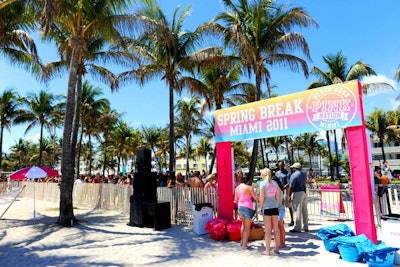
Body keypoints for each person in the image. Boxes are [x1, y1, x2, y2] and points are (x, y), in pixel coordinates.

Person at [234, 173, 259, 249]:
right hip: (248, 207)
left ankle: (242, 241)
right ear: (248, 181)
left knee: (243, 225)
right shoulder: (249, 187)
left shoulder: (237, 188)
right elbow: (255, 198)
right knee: (247, 227)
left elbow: (235, 200)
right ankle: (245, 244)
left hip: (240, 207)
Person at [259, 167, 280, 255]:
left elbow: (262, 197)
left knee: (267, 230)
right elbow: (278, 197)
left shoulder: (262, 184)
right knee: (276, 228)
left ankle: (267, 250)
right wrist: (277, 205)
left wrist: (260, 208)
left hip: (267, 208)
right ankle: (277, 249)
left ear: (263, 174)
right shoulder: (275, 183)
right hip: (275, 207)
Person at [288, 162, 308, 233]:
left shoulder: (294, 175)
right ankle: (306, 226)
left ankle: (297, 227)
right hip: (304, 192)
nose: (292, 169)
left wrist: (289, 196)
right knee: (304, 210)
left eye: (293, 168)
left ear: (295, 168)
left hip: (298, 192)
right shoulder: (304, 174)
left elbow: (291, 186)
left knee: (297, 210)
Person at [275, 161, 294, 226]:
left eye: (282, 165)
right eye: (279, 165)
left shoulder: (287, 173)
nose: (280, 167)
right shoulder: (277, 173)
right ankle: (281, 220)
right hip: (278, 191)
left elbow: (289, 183)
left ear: (284, 165)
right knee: (279, 205)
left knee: (288, 205)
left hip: (285, 190)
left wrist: (283, 187)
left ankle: (292, 220)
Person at [272, 175, 286, 249]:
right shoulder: (280, 188)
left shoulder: (275, 188)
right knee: (281, 227)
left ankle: (278, 243)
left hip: (277, 209)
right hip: (281, 208)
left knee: (277, 227)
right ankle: (282, 242)